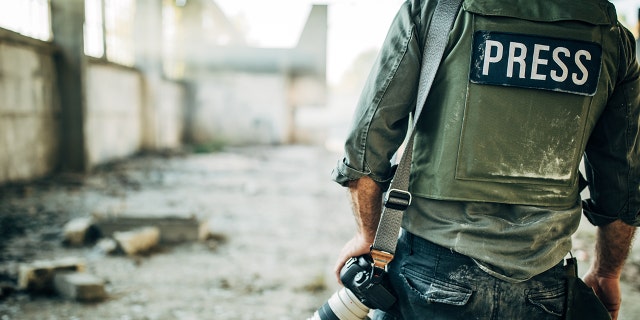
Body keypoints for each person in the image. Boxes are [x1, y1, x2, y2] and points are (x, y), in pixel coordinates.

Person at [330, 0, 639, 319]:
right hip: (547, 286)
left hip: (428, 276)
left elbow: (367, 144)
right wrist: (607, 272)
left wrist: (367, 235)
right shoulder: (613, 38)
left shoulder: (436, 10)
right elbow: (624, 184)